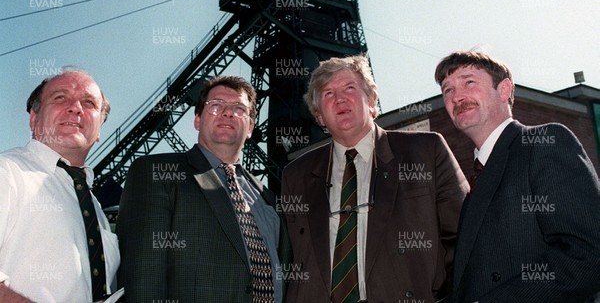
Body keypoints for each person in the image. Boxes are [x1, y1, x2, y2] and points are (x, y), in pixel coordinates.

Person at [281, 55, 469, 303]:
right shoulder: (296, 174)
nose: (340, 98)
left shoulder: (425, 151)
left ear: (370, 100)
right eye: (328, 93)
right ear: (319, 116)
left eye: (350, 87)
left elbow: (465, 237)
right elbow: (288, 257)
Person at [435, 50, 600, 302]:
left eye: (469, 82)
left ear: (504, 90)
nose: (457, 96)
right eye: (447, 90)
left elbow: (588, 254)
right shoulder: (476, 183)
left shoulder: (545, 143)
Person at [118, 75, 291, 302]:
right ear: (197, 120)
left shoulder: (266, 196)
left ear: (250, 128)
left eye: (239, 108)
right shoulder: (156, 173)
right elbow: (144, 275)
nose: (228, 113)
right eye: (216, 105)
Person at [0, 68, 120, 302]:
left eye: (89, 103)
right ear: (34, 118)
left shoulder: (95, 208)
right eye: (60, 97)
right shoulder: (7, 172)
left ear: (99, 132)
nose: (76, 108)